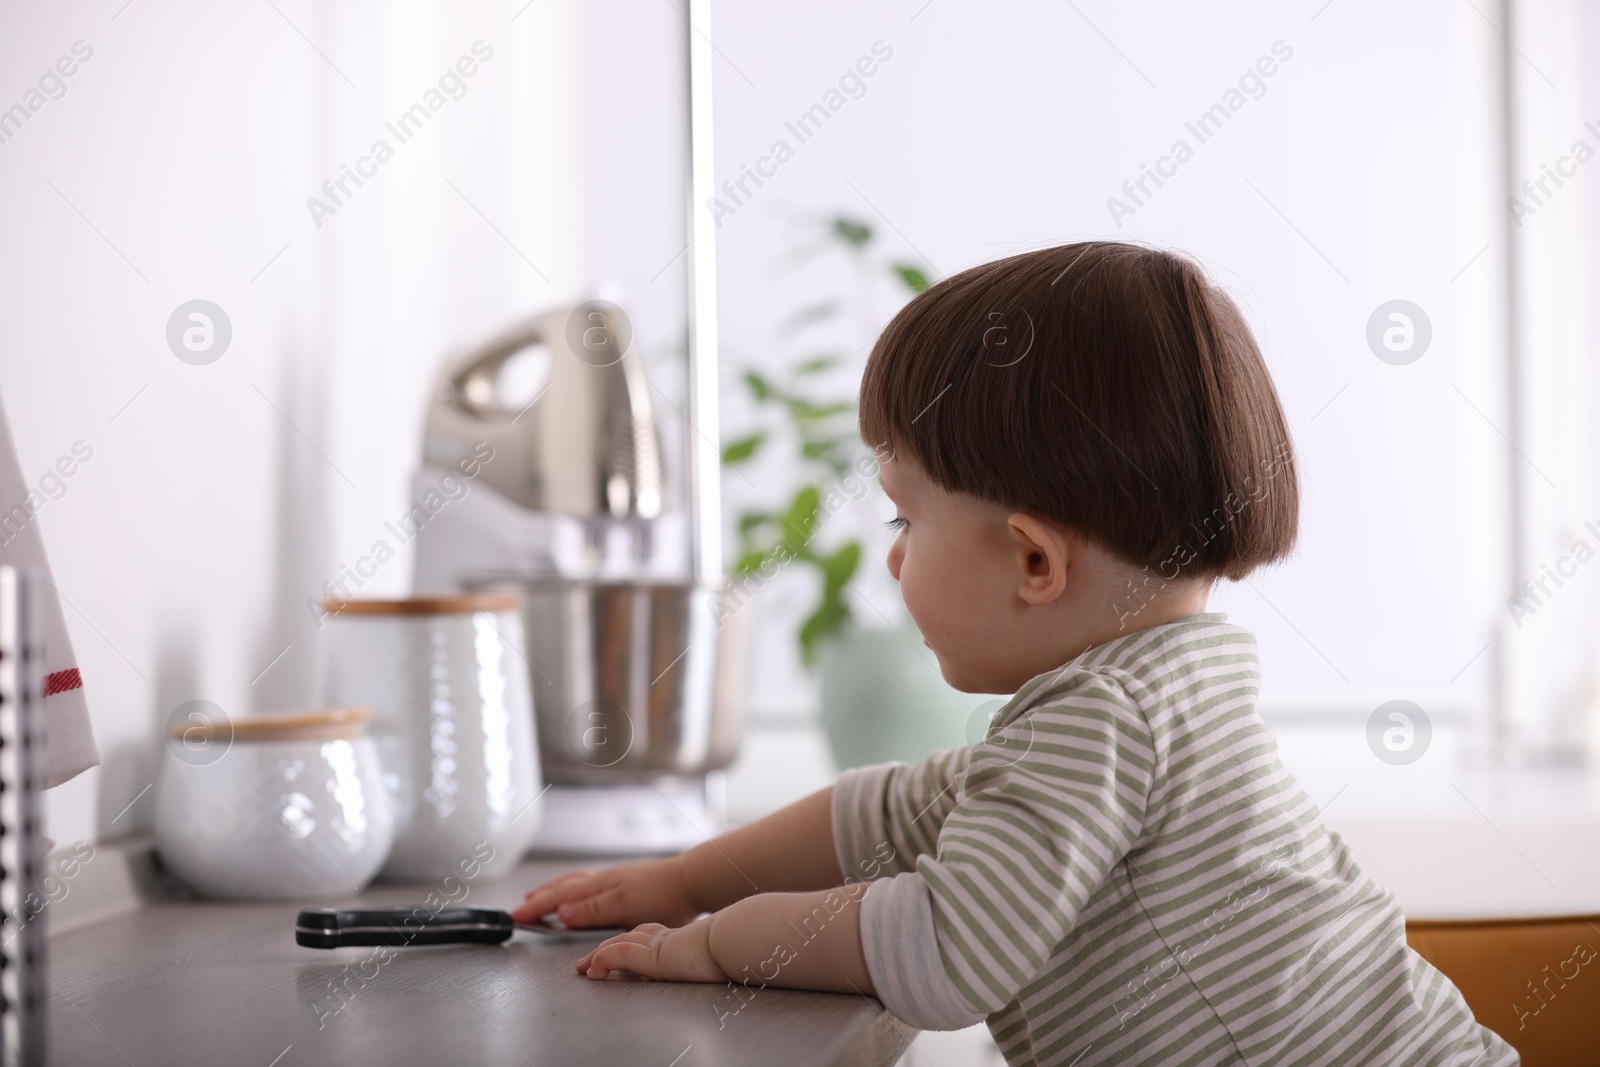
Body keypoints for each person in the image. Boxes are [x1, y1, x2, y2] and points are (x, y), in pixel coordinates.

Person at [515, 242, 1516, 1066]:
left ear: (1033, 557)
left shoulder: (1109, 715)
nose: (893, 555)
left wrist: (708, 942)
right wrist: (688, 875)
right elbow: (888, 809)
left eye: (907, 517)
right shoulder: (1154, 692)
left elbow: (945, 946)